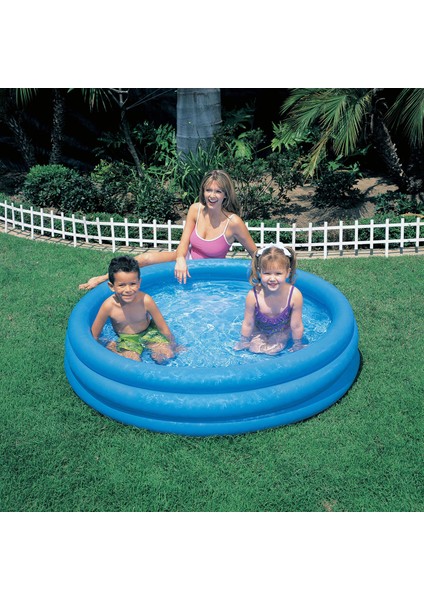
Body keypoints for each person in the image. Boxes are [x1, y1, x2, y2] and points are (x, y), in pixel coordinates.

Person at [79, 169, 258, 289]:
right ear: (203, 191)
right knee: (145, 258)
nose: (212, 195)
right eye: (208, 190)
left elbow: (255, 254)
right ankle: (102, 279)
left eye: (218, 191)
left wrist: (265, 277)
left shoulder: (233, 222)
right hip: (185, 259)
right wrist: (180, 260)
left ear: (226, 195)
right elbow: (183, 243)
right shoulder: (195, 209)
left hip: (209, 271)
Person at [91, 255, 177, 363]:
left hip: (149, 332)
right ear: (112, 286)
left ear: (139, 283)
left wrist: (173, 345)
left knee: (166, 356)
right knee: (133, 362)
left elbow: (163, 328)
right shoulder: (108, 306)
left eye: (132, 284)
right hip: (128, 339)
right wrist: (103, 346)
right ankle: (113, 347)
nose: (128, 290)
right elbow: (94, 335)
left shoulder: (146, 300)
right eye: (121, 285)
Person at [234, 244, 306, 355]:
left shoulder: (294, 295)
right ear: (260, 272)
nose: (272, 278)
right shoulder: (253, 295)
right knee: (255, 349)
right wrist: (243, 341)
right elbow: (248, 323)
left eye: (278, 273)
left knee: (272, 350)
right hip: (259, 330)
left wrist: (297, 344)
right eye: (267, 273)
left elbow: (296, 325)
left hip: (282, 330)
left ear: (287, 272)